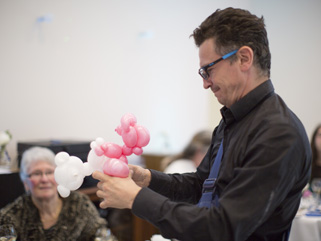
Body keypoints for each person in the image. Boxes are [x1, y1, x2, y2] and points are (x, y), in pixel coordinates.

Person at [92, 7, 312, 241]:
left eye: (208, 70)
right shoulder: (233, 119)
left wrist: (136, 199)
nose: (205, 84)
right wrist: (147, 179)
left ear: (244, 58)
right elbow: (201, 185)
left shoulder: (278, 134)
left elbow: (223, 228)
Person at [0, 146, 107, 240]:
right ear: (25, 182)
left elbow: (102, 235)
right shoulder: (11, 216)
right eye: (36, 173)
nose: (44, 179)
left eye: (50, 172)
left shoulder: (79, 203)